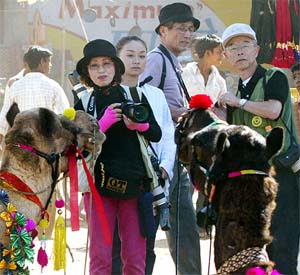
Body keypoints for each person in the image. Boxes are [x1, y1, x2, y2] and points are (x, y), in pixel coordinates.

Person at [74, 39, 161, 275]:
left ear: (116, 67)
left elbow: (156, 133)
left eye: (106, 64)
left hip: (135, 184)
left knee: (134, 255)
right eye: (94, 66)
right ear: (86, 72)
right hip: (98, 186)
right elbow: (76, 146)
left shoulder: (135, 93)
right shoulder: (83, 101)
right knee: (100, 256)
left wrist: (138, 126)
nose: (101, 71)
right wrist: (101, 124)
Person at [218, 23, 299, 275]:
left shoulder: (273, 76)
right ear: (226, 54)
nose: (239, 51)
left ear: (257, 49)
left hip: (281, 172)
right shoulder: (233, 89)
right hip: (250, 181)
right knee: (255, 248)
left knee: (282, 245)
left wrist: (238, 102)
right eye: (232, 46)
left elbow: (274, 110)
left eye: (245, 45)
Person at [139, 3, 202, 275]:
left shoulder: (172, 61)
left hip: (174, 152)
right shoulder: (156, 58)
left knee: (182, 225)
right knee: (180, 225)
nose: (187, 35)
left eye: (190, 30)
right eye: (181, 29)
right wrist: (183, 113)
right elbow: (146, 104)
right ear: (163, 30)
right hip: (163, 156)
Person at [112, 35, 176, 275]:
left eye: (141, 55)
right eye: (130, 55)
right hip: (118, 183)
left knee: (147, 243)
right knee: (116, 248)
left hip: (151, 182)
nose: (136, 61)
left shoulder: (155, 95)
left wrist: (165, 168)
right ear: (118, 59)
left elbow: (167, 134)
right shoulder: (108, 94)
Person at [0, 45, 70, 146]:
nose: (50, 65)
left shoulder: (15, 86)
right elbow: (65, 114)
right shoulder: (53, 85)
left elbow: (4, 117)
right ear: (42, 62)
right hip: (46, 144)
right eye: (49, 61)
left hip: (23, 143)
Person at [182, 34, 227, 120]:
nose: (222, 56)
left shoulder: (220, 81)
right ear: (207, 53)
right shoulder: (184, 74)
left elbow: (222, 108)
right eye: (219, 52)